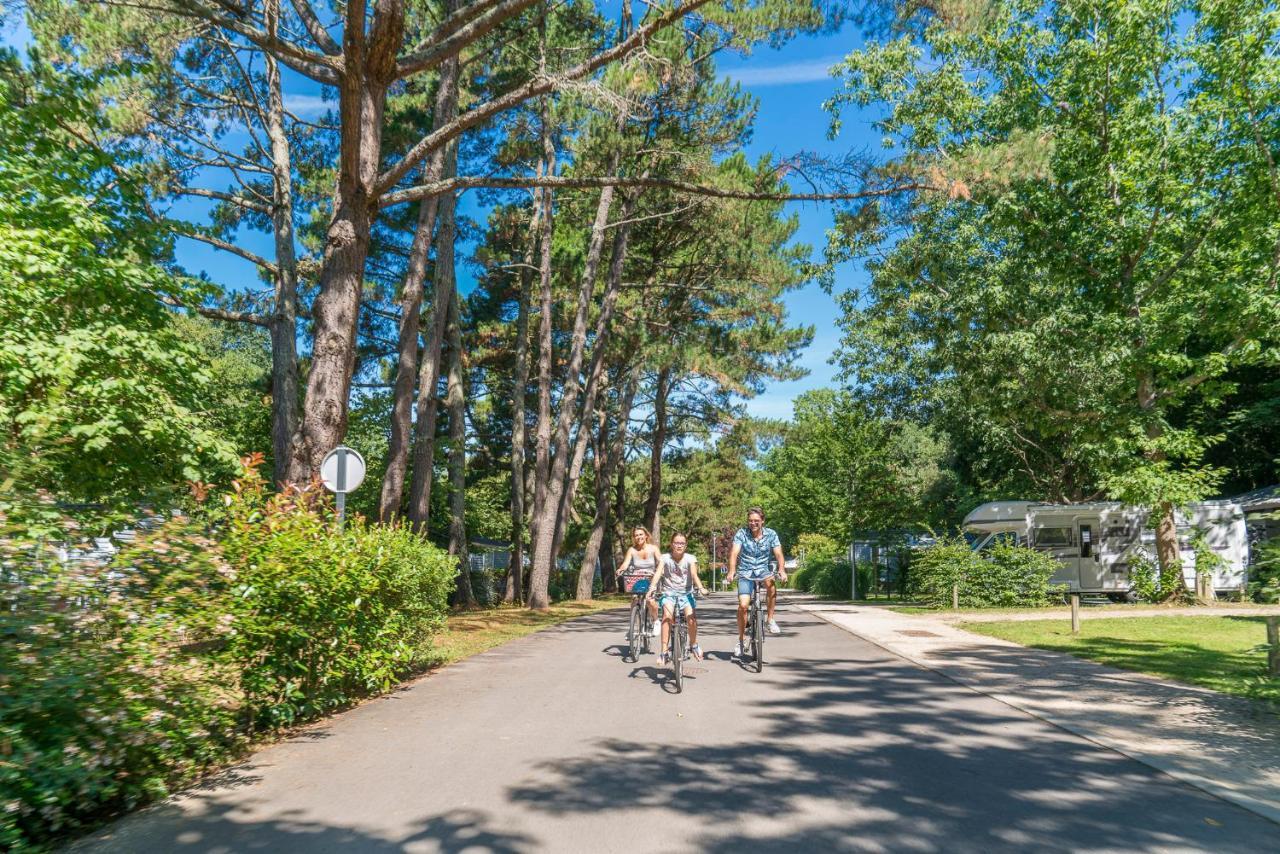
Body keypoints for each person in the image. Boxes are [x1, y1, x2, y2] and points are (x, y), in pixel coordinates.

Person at [727, 507, 788, 658]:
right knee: (743, 605)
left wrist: (781, 569)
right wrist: (731, 570)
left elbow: (778, 553)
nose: (753, 523)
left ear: (762, 521)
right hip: (745, 572)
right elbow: (734, 552)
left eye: (756, 521)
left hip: (763, 570)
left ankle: (770, 620)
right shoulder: (742, 533)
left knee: (771, 586)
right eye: (750, 521)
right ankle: (741, 641)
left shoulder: (771, 534)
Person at [646, 533, 707, 665]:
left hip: (686, 594)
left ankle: (694, 644)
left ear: (686, 545)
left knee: (691, 618)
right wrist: (652, 588)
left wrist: (701, 588)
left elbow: (694, 574)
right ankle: (664, 652)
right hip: (669, 594)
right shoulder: (665, 558)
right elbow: (657, 573)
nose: (679, 545)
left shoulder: (690, 558)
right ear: (671, 544)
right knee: (667, 617)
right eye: (676, 543)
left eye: (682, 543)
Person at [616, 525, 661, 636]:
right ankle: (633, 626)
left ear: (646, 535)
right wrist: (620, 570)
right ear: (634, 538)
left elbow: (660, 562)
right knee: (634, 599)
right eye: (636, 535)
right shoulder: (632, 550)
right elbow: (626, 563)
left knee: (650, 600)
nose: (638, 537)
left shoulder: (653, 548)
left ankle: (656, 621)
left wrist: (661, 571)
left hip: (650, 578)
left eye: (641, 534)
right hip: (636, 579)